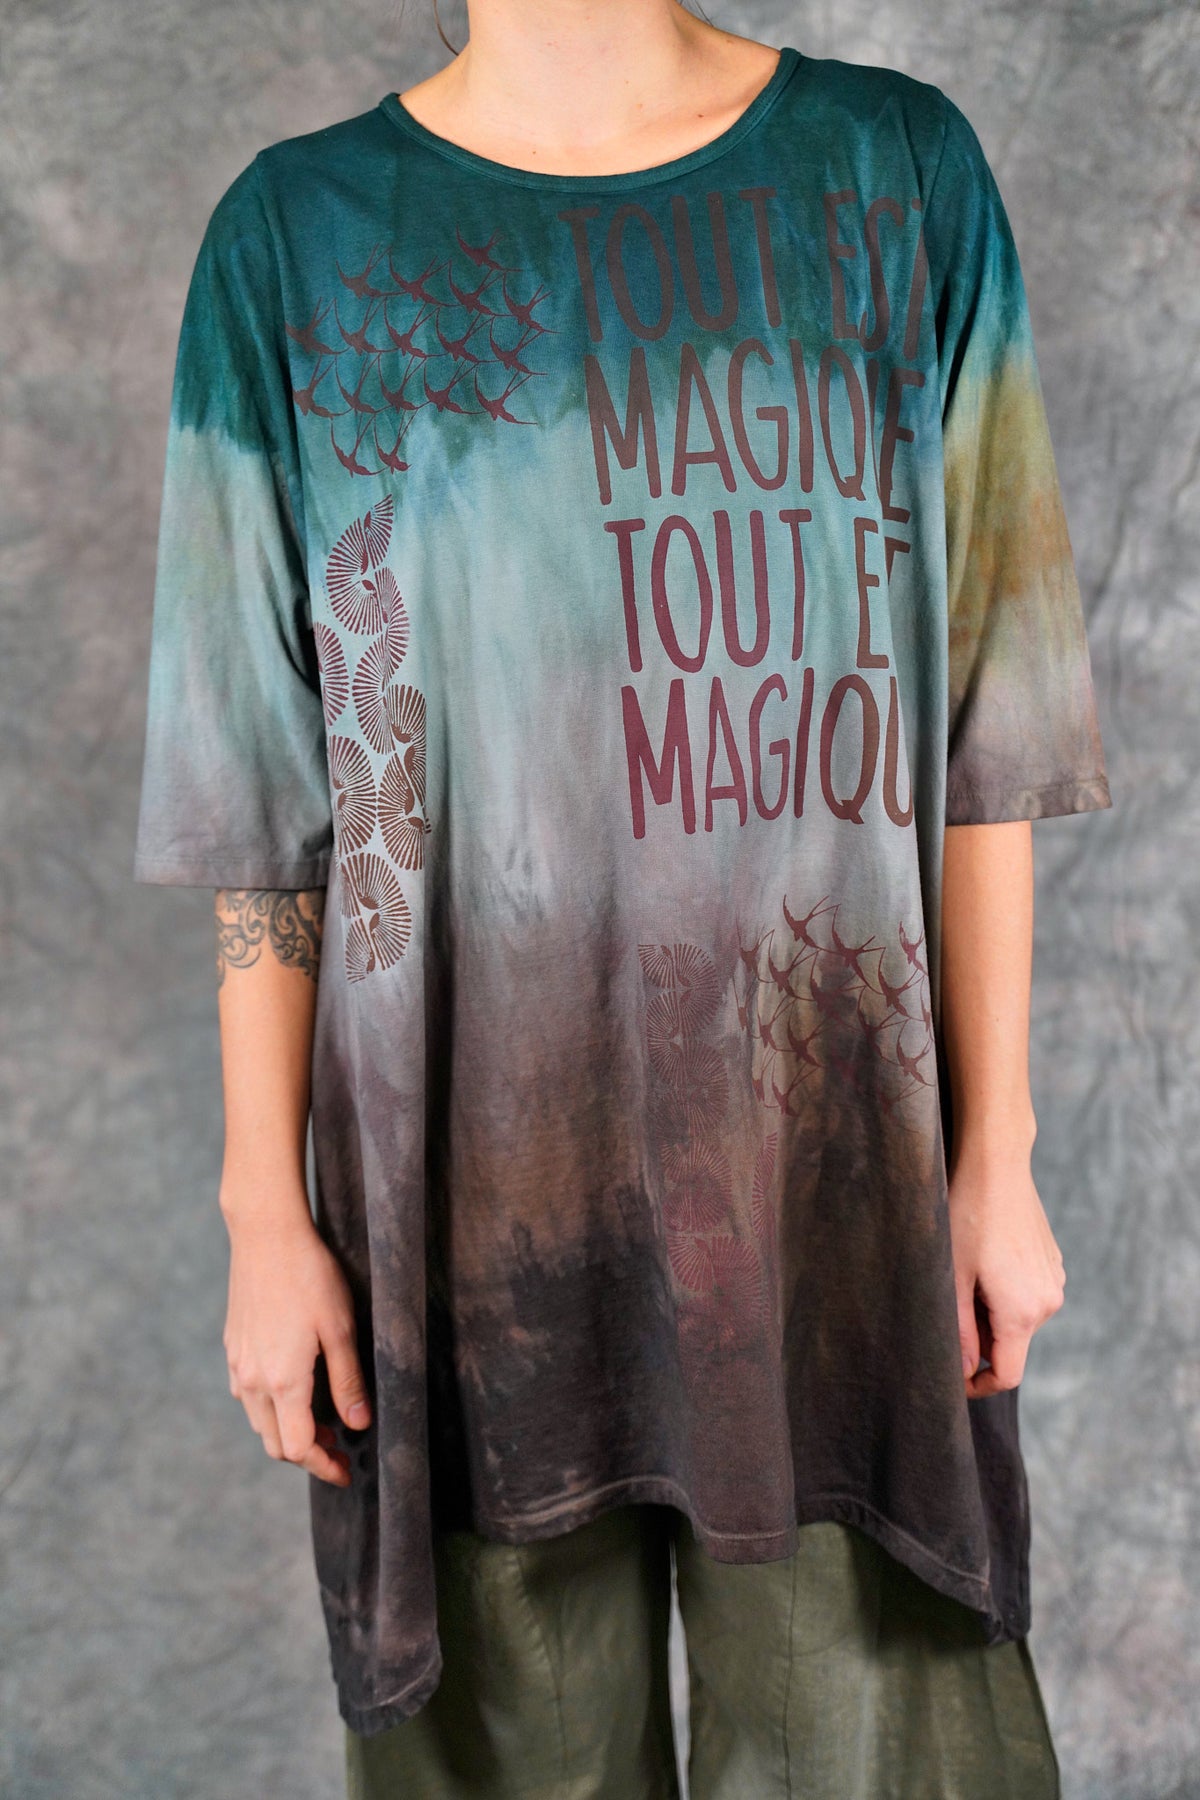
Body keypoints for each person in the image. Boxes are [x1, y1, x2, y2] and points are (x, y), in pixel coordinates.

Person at [132, 2, 1113, 1793]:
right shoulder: (296, 239)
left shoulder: (890, 173)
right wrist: (261, 1213)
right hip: (466, 1230)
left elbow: (989, 722)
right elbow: (268, 806)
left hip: (833, 1210)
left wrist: (1001, 1154)